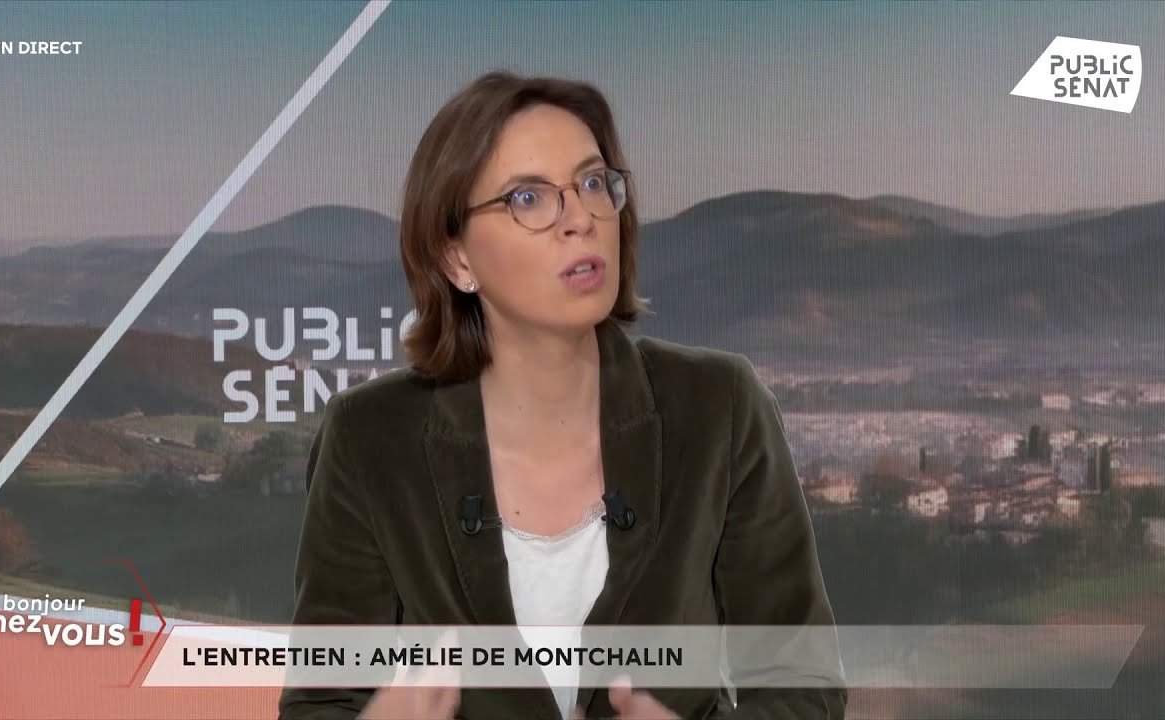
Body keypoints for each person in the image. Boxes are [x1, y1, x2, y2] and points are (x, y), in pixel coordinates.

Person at [278, 71, 846, 720]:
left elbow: (803, 689)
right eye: (528, 197)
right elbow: (323, 702)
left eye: (594, 183)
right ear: (456, 258)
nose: (580, 218)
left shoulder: (720, 408)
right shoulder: (369, 437)